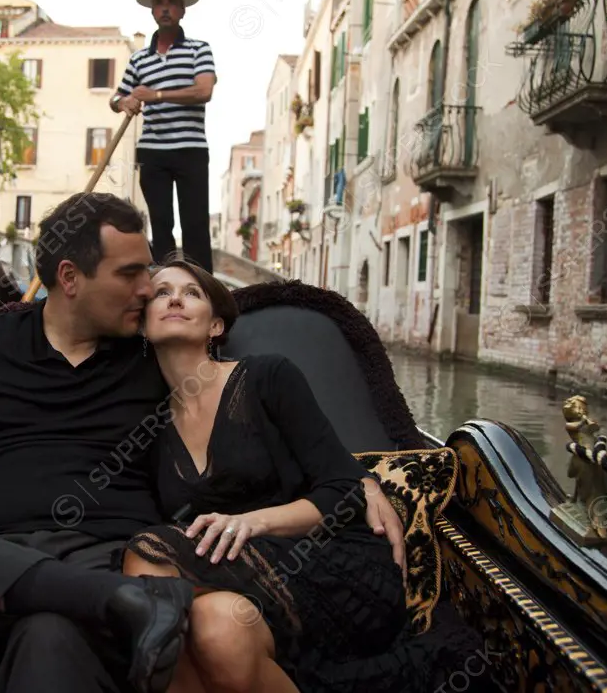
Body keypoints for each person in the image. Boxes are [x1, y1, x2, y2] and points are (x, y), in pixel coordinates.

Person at [0, 192, 406, 693]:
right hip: (0, 577)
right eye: (131, 273)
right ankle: (118, 601)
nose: (149, 289)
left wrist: (362, 479)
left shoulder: (153, 355)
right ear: (69, 278)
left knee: (48, 633)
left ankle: (113, 598)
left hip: (107, 556)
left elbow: (249, 401)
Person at [123, 260, 439, 693]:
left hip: (327, 564)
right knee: (215, 628)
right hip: (237, 587)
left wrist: (254, 521)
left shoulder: (268, 376)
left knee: (148, 555)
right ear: (142, 327)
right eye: (160, 293)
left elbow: (344, 488)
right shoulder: (149, 427)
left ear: (215, 326)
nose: (175, 298)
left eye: (191, 292)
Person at [112, 0, 216, 274]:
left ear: (182, 10)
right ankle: (163, 282)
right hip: (152, 151)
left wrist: (155, 95)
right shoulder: (138, 59)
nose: (165, 8)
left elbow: (204, 91)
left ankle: (202, 287)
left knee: (195, 222)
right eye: (160, 3)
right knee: (160, 223)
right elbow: (118, 96)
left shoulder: (199, 50)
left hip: (191, 149)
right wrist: (124, 103)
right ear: (153, 11)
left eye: (172, 3)